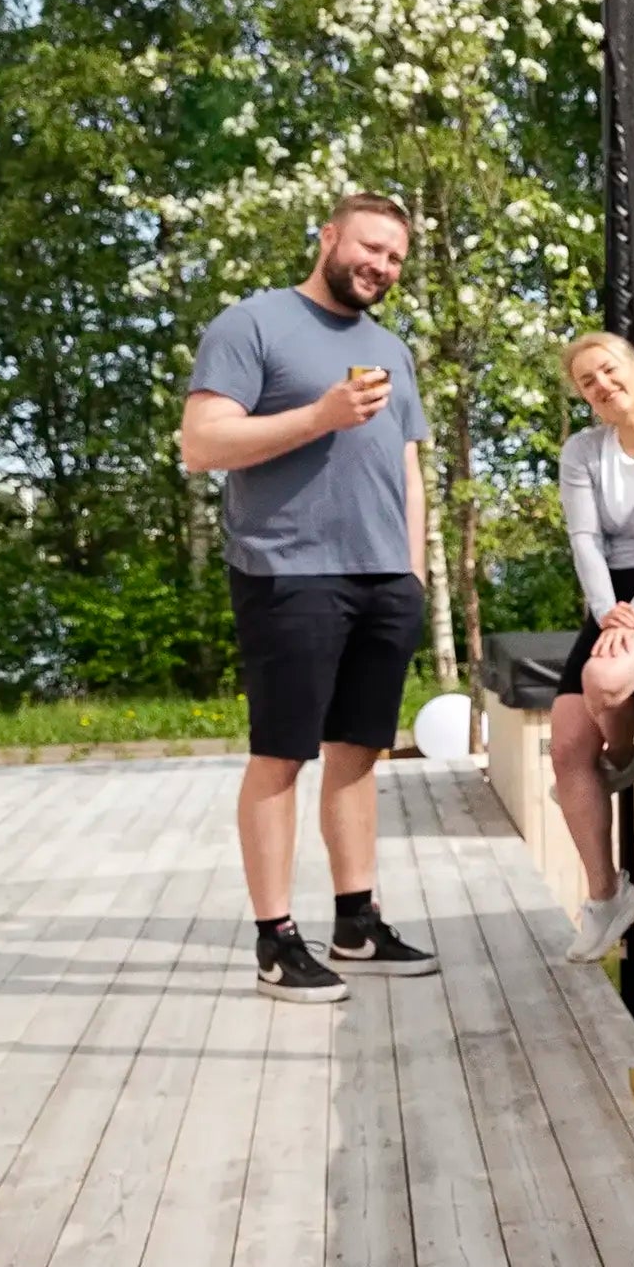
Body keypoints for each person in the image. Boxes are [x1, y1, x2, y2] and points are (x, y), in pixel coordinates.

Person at [181, 191, 442, 1001]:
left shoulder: (392, 348)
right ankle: (274, 941)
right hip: (287, 570)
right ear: (328, 236)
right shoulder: (251, 323)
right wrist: (319, 414)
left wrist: (413, 574)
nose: (381, 266)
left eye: (395, 257)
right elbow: (202, 443)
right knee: (281, 755)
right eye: (369, 247)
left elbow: (405, 465)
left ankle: (356, 919)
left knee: (359, 752)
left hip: (382, 579)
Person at [552, 330, 634, 962]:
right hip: (613, 600)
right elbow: (585, 539)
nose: (600, 385)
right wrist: (608, 616)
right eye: (586, 382)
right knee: (568, 742)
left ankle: (621, 757)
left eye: (607, 370)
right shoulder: (582, 450)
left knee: (602, 685)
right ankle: (607, 896)